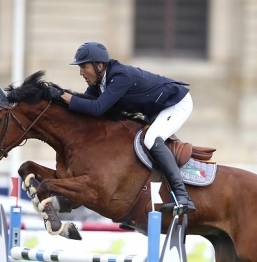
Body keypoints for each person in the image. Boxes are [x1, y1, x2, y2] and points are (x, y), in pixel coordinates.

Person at [47, 41, 195, 214]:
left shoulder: (120, 77)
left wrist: (64, 95)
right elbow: (83, 106)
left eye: (84, 67)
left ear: (99, 65)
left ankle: (183, 197)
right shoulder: (99, 84)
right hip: (156, 109)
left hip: (176, 104)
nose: (81, 73)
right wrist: (56, 99)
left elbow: (97, 108)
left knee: (151, 139)